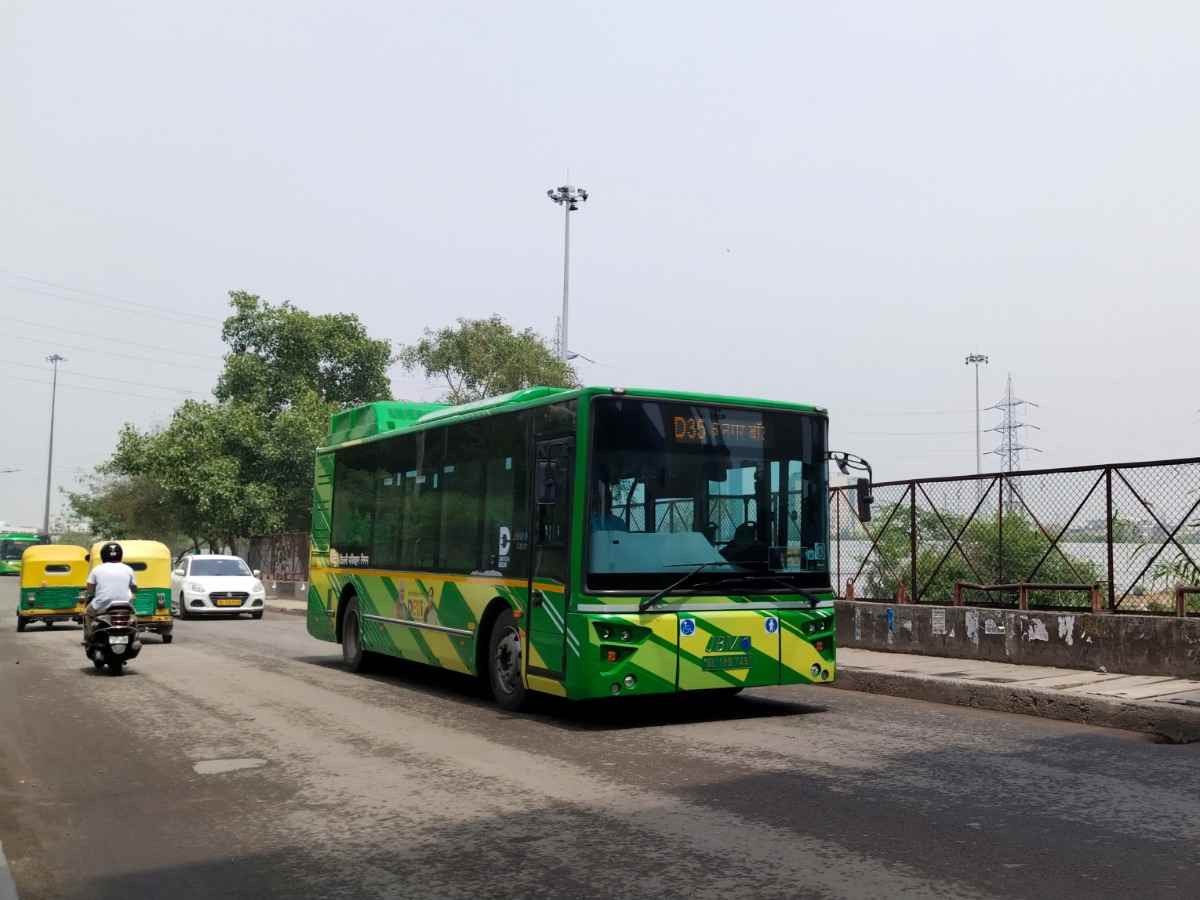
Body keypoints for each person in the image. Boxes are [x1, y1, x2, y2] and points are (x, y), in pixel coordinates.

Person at [84, 542, 137, 639]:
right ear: (120, 555)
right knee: (133, 617)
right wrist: (132, 594)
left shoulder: (97, 569)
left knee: (87, 613)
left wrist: (92, 594)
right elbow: (134, 588)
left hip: (102, 605)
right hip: (125, 605)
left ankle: (90, 636)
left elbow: (90, 590)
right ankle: (135, 636)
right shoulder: (128, 569)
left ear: (103, 555)